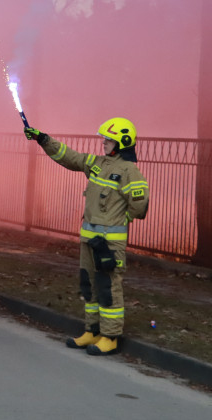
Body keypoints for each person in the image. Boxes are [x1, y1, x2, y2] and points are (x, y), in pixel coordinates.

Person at [25, 117, 150, 356]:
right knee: (89, 286)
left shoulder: (129, 171)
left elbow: (139, 206)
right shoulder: (97, 163)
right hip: (89, 240)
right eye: (105, 138)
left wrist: (121, 220)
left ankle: (110, 337)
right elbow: (69, 157)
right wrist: (43, 139)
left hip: (109, 244)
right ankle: (92, 331)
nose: (104, 142)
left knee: (109, 287)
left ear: (121, 143)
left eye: (109, 139)